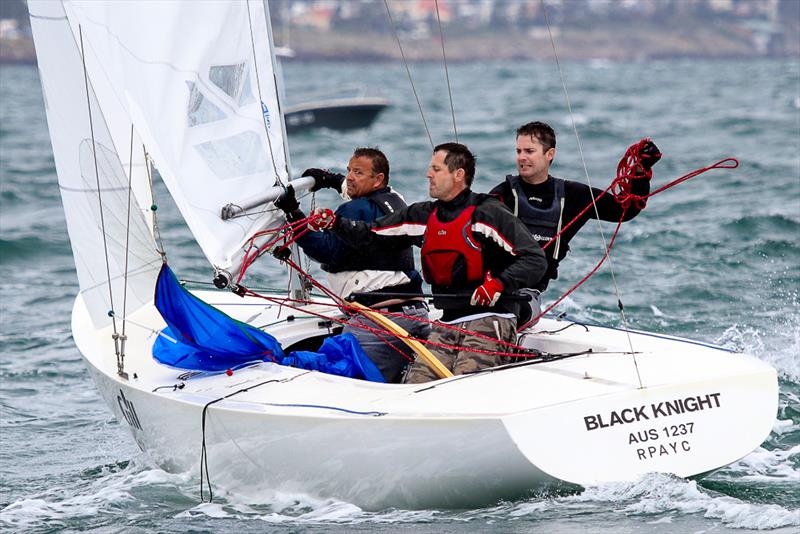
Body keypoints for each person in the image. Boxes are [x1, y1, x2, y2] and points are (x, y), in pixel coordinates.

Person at [310, 143, 547, 384]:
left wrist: (498, 284)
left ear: (458, 175)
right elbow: (373, 233)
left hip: (490, 319)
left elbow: (535, 259)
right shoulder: (423, 215)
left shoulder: (488, 213)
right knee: (414, 387)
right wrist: (335, 223)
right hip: (447, 322)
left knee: (463, 386)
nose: (428, 174)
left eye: (436, 168)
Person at [274, 147, 430, 383]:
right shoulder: (396, 200)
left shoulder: (354, 210)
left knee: (340, 382)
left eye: (358, 172)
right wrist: (329, 180)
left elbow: (326, 251)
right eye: (348, 170)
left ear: (378, 180)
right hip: (416, 315)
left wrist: (294, 214)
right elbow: (356, 195)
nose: (349, 177)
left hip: (377, 323)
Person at [489, 121, 661, 322]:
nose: (522, 157)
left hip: (524, 299)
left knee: (511, 313)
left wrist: (641, 170)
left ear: (549, 154)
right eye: (518, 151)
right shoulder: (502, 194)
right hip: (489, 288)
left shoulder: (572, 196)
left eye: (529, 151)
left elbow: (625, 209)